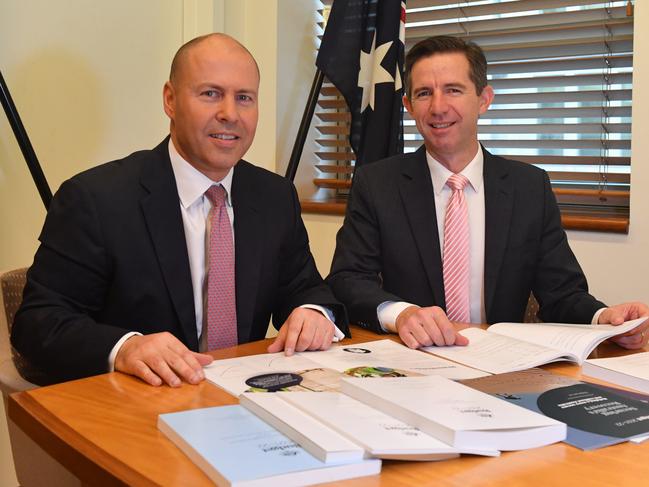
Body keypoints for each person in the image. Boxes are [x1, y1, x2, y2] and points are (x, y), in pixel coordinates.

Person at [11, 33, 348, 387]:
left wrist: (313, 311)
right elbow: (38, 323)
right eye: (211, 94)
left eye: (244, 98)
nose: (229, 114)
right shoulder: (95, 199)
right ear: (170, 100)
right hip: (140, 408)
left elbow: (305, 287)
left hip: (246, 401)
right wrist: (126, 348)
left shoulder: (274, 196)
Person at [326, 35, 648, 351]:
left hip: (501, 363)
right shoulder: (377, 184)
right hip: (412, 357)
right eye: (424, 93)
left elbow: (562, 293)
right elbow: (348, 280)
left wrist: (604, 316)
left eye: (453, 90)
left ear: (484, 99)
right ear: (409, 105)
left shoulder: (529, 187)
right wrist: (401, 314)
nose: (438, 107)